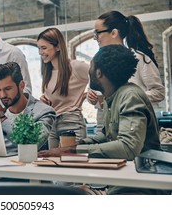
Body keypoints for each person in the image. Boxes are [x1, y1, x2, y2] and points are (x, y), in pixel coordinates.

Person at [39, 45, 167, 195]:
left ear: (98, 73)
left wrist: (73, 151)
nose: (89, 71)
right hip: (125, 181)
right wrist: (79, 144)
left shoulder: (130, 96)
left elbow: (128, 147)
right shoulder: (112, 96)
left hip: (142, 186)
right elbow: (107, 137)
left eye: (91, 67)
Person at [88, 10, 165, 130]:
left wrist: (127, 99)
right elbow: (97, 96)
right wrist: (92, 98)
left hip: (132, 125)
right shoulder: (97, 61)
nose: (94, 37)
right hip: (105, 126)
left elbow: (158, 92)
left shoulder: (139, 58)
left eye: (97, 32)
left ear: (114, 33)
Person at [37, 27, 89, 148]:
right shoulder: (48, 72)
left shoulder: (75, 67)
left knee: (73, 165)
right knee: (54, 164)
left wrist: (85, 96)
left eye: (44, 48)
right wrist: (44, 102)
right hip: (52, 123)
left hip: (71, 122)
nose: (40, 52)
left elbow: (101, 77)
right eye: (39, 48)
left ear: (58, 47)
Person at [0, 62, 56, 152]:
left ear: (21, 85)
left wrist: (1, 118)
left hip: (24, 164)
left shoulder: (44, 112)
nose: (2, 95)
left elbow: (33, 141)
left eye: (8, 89)